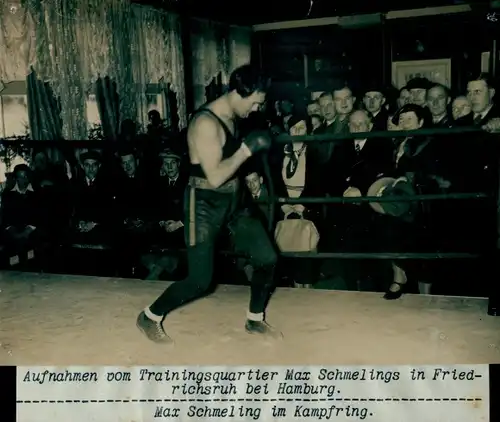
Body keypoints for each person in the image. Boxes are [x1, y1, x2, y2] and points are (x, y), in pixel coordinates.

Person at [136, 64, 279, 343]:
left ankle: (254, 320)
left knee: (267, 258)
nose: (256, 109)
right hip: (204, 203)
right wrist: (247, 150)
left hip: (235, 199)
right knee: (200, 280)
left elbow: (227, 159)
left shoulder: (233, 114)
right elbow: (214, 176)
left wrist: (247, 171)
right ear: (241, 93)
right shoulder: (206, 123)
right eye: (256, 103)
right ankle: (150, 316)